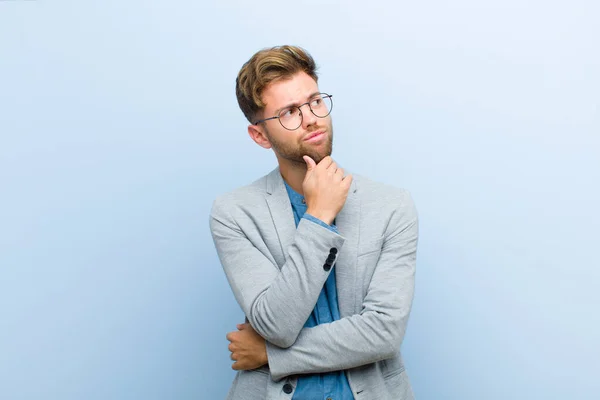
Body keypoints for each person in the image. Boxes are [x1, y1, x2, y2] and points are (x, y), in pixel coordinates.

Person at [209, 45, 418, 400]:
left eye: (315, 101)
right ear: (260, 135)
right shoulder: (234, 213)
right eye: (290, 112)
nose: (311, 118)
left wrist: (270, 355)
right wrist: (319, 216)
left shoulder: (392, 206)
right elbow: (276, 324)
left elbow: (383, 332)